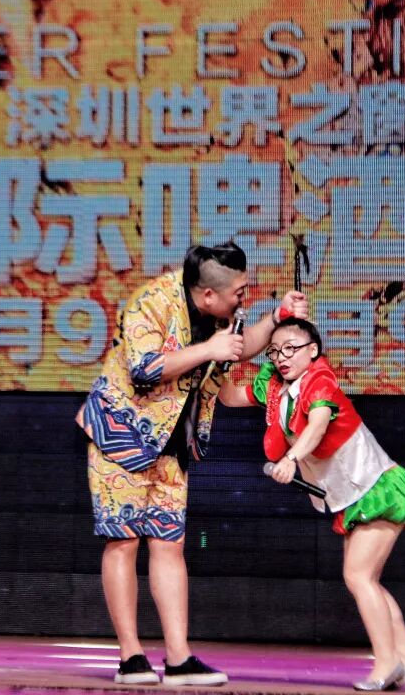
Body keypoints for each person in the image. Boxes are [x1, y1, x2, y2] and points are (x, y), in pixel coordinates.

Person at [76, 243, 308, 686]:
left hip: (171, 444)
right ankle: (130, 658)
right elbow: (145, 369)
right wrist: (208, 349)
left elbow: (237, 349)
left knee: (169, 545)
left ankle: (178, 658)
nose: (243, 298)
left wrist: (276, 318)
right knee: (124, 541)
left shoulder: (221, 317)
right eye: (238, 292)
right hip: (122, 435)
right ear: (208, 295)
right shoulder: (152, 301)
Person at [219, 317, 405, 692]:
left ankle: (387, 664)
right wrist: (218, 363)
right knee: (366, 580)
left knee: (358, 577)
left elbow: (316, 426)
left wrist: (291, 459)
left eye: (291, 348)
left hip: (378, 488)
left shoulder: (320, 380)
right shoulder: (276, 389)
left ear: (312, 350)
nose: (281, 357)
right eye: (275, 351)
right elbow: (231, 397)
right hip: (352, 496)